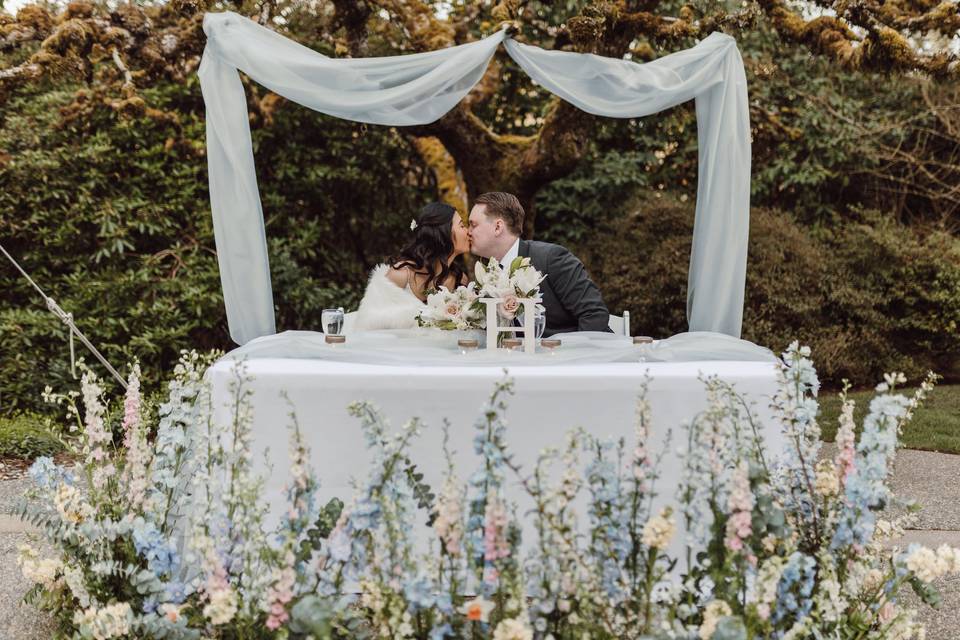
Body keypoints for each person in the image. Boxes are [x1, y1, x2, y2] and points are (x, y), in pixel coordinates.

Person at [467, 191, 611, 337]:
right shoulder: (485, 275)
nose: (468, 232)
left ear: (498, 227)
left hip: (569, 355)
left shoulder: (551, 259)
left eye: (473, 225)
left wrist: (573, 357)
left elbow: (593, 314)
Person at [351, 202, 471, 330]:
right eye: (462, 226)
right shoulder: (400, 276)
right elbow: (368, 327)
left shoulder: (460, 280)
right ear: (443, 232)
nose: (468, 231)